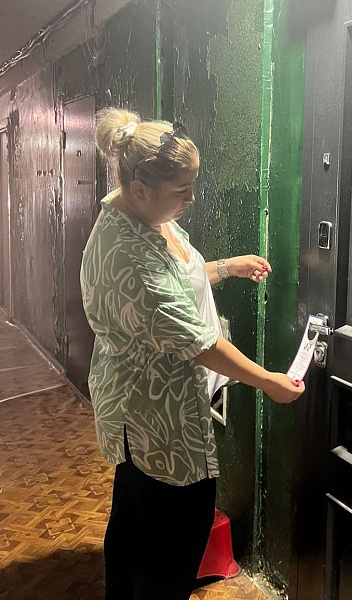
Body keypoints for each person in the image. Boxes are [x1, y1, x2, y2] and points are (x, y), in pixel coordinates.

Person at [80, 107, 304, 600]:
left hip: (150, 409)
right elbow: (198, 342)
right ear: (140, 189)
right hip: (155, 419)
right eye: (182, 190)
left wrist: (224, 267)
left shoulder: (142, 215)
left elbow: (180, 274)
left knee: (135, 527)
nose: (192, 198)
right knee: (171, 541)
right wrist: (267, 381)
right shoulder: (131, 257)